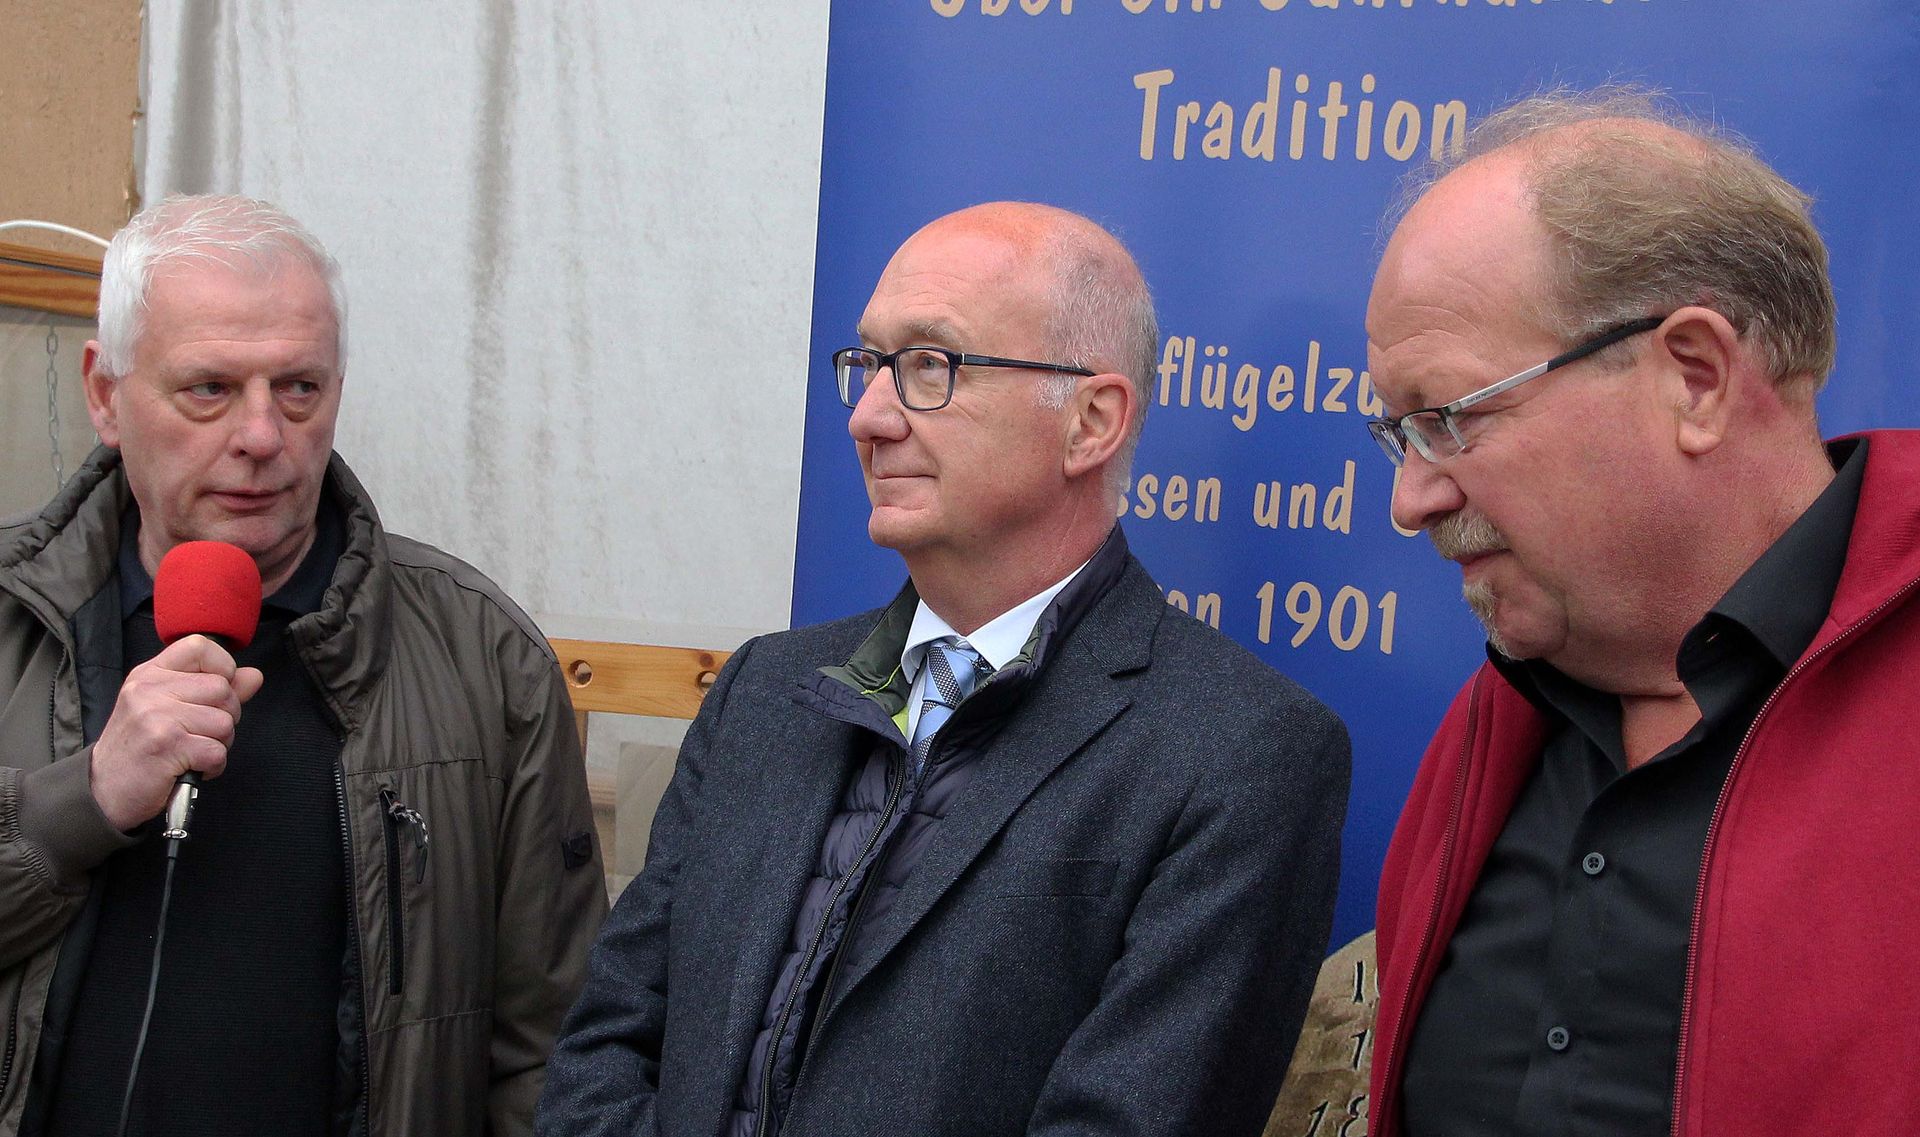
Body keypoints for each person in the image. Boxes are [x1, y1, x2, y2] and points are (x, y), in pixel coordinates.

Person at [538, 201, 1350, 1137]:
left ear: (1090, 421)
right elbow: (607, 1044)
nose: (868, 416)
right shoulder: (765, 690)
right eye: (868, 363)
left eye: (930, 365)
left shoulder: (1240, 754)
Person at [1363, 87, 1920, 1136]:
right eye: (1399, 435)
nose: (1412, 499)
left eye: (1448, 418)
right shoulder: (1491, 728)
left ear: (1696, 378)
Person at [0, 194, 607, 1136]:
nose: (261, 435)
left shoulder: (485, 659)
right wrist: (84, 800)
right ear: (105, 394)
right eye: (209, 388)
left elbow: (554, 1048)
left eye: (299, 388)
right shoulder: (15, 619)